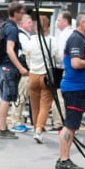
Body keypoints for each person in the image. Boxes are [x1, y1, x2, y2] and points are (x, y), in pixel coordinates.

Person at [56, 12, 85, 169]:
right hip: (74, 88)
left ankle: (64, 158)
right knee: (70, 125)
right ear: (82, 23)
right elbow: (76, 63)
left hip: (78, 88)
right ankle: (64, 159)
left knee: (72, 125)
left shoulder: (83, 40)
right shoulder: (76, 39)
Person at [27, 15, 61, 143]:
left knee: (34, 105)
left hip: (33, 75)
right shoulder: (51, 41)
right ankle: (39, 130)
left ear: (36, 27)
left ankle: (36, 127)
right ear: (48, 27)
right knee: (45, 106)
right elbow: (58, 58)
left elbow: (27, 56)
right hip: (46, 76)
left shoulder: (32, 40)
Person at [0, 1, 27, 139]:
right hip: (9, 66)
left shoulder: (4, 25)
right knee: (6, 97)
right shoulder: (13, 29)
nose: (22, 15)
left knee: (4, 96)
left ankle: (2, 127)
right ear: (16, 13)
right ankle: (2, 128)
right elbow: (10, 49)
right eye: (21, 12)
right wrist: (20, 68)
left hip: (2, 65)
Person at [10, 14, 33, 133]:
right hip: (23, 70)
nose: (32, 24)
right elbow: (28, 49)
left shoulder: (26, 35)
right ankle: (16, 121)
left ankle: (19, 121)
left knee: (22, 96)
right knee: (21, 96)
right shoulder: (22, 35)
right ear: (22, 23)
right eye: (29, 22)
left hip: (24, 70)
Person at [51, 10, 73, 131]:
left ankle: (59, 122)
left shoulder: (64, 35)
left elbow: (59, 54)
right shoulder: (73, 33)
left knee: (59, 97)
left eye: (58, 20)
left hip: (62, 69)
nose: (57, 23)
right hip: (70, 71)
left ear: (65, 21)